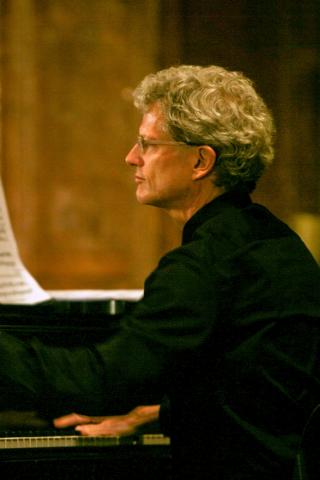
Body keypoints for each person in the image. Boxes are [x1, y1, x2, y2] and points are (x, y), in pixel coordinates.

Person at [0, 65, 320, 479]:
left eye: (147, 144)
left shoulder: (204, 265)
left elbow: (101, 383)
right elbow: (256, 388)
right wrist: (161, 412)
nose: (131, 157)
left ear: (201, 161)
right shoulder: (276, 241)